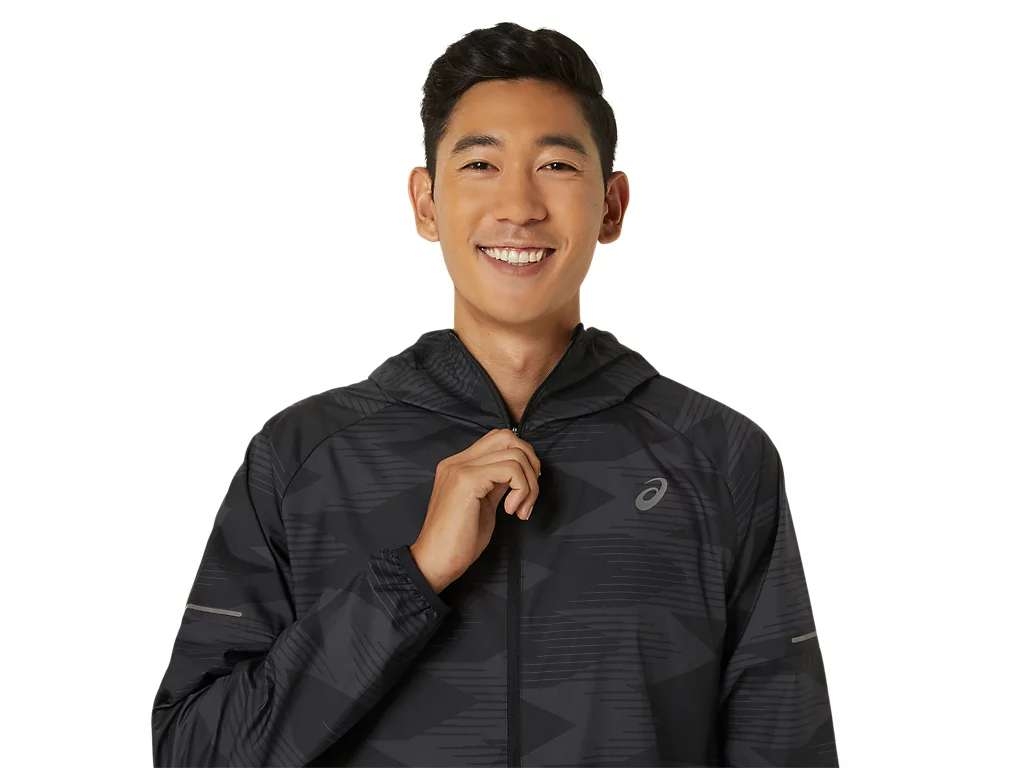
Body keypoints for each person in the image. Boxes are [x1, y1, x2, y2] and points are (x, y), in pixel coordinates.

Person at [152, 21, 839, 767]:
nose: (518, 205)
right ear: (426, 202)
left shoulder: (719, 459)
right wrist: (412, 576)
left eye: (556, 165)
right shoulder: (304, 458)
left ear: (612, 206)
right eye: (480, 163)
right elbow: (194, 752)